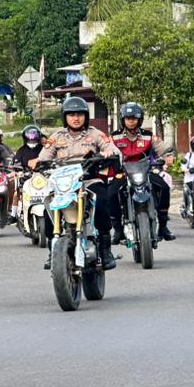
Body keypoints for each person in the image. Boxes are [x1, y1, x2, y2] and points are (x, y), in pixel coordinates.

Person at [36, 96, 120, 269]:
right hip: (63, 185)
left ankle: (105, 250)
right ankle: (54, 252)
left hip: (88, 181)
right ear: (65, 117)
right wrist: (38, 162)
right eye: (71, 114)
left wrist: (107, 153)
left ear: (85, 116)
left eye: (80, 114)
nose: (76, 118)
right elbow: (43, 156)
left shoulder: (95, 134)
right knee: (48, 207)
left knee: (103, 201)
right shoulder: (56, 137)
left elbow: (111, 148)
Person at [112, 102, 176, 241]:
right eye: (128, 118)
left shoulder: (148, 136)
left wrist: (168, 156)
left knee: (163, 187)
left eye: (134, 118)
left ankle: (163, 226)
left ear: (139, 120)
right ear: (122, 120)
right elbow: (106, 149)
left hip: (145, 171)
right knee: (111, 193)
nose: (131, 121)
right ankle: (117, 229)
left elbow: (162, 147)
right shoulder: (114, 137)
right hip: (123, 172)